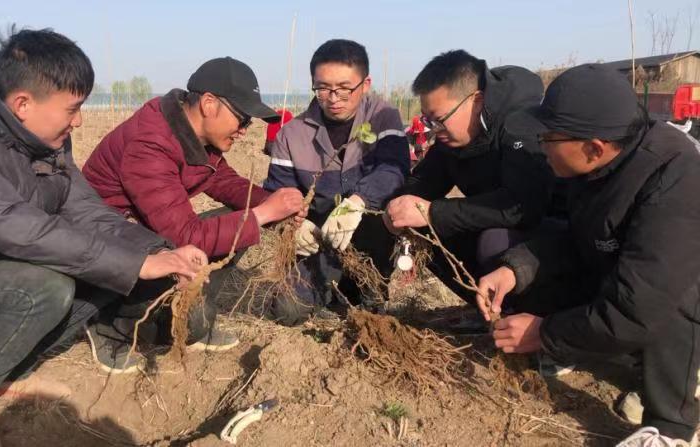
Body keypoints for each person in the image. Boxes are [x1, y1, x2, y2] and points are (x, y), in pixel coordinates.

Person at [0, 28, 210, 446]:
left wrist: (160, 251)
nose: (79, 120)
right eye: (73, 108)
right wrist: (136, 262)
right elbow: (11, 224)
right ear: (23, 104)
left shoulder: (43, 139)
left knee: (108, 274)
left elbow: (84, 211)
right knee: (47, 286)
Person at [477, 64, 700, 446]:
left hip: (671, 293)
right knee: (514, 254)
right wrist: (517, 268)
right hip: (624, 276)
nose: (540, 145)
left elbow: (641, 306)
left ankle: (672, 427)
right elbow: (579, 238)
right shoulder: (595, 164)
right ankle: (607, 353)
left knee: (675, 301)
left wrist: (545, 333)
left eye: (548, 137)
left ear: (594, 148)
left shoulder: (674, 177)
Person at [82, 57, 306, 338]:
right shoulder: (150, 145)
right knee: (193, 322)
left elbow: (224, 181)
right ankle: (112, 326)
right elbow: (185, 235)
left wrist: (273, 204)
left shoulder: (192, 134)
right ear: (209, 104)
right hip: (107, 255)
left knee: (238, 219)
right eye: (242, 118)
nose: (244, 130)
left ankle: (190, 307)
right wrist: (264, 213)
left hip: (143, 239)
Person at [383, 50, 554, 308]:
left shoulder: (521, 125)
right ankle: (489, 311)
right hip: (500, 224)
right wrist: (400, 203)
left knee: (493, 242)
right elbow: (425, 180)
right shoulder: (451, 138)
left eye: (439, 120)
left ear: (476, 101)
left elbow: (522, 205)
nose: (433, 130)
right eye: (428, 120)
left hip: (555, 235)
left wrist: (433, 212)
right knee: (423, 229)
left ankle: (531, 316)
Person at [263, 39, 410, 325]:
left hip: (371, 242)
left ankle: (368, 289)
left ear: (365, 84)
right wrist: (290, 223)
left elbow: (394, 170)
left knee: (367, 302)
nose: (333, 98)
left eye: (344, 88)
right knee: (286, 311)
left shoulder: (383, 117)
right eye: (323, 88)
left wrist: (358, 201)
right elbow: (278, 192)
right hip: (321, 243)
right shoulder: (291, 135)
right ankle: (329, 288)